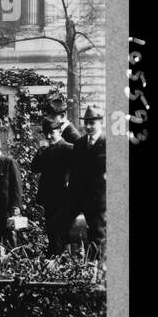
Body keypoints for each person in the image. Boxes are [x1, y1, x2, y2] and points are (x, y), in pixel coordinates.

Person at [30, 117, 74, 257]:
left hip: (63, 197)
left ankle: (57, 256)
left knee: (58, 228)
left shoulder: (69, 148)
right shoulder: (45, 150)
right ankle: (54, 255)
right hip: (49, 197)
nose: (48, 136)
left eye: (52, 133)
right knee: (50, 228)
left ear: (59, 131)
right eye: (46, 133)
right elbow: (34, 167)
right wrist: (41, 150)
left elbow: (77, 171)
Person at [66, 106, 106, 256]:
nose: (88, 127)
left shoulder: (108, 143)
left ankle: (96, 271)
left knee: (98, 236)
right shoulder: (80, 143)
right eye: (86, 123)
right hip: (80, 198)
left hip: (100, 201)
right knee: (62, 226)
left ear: (100, 122)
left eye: (92, 123)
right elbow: (75, 172)